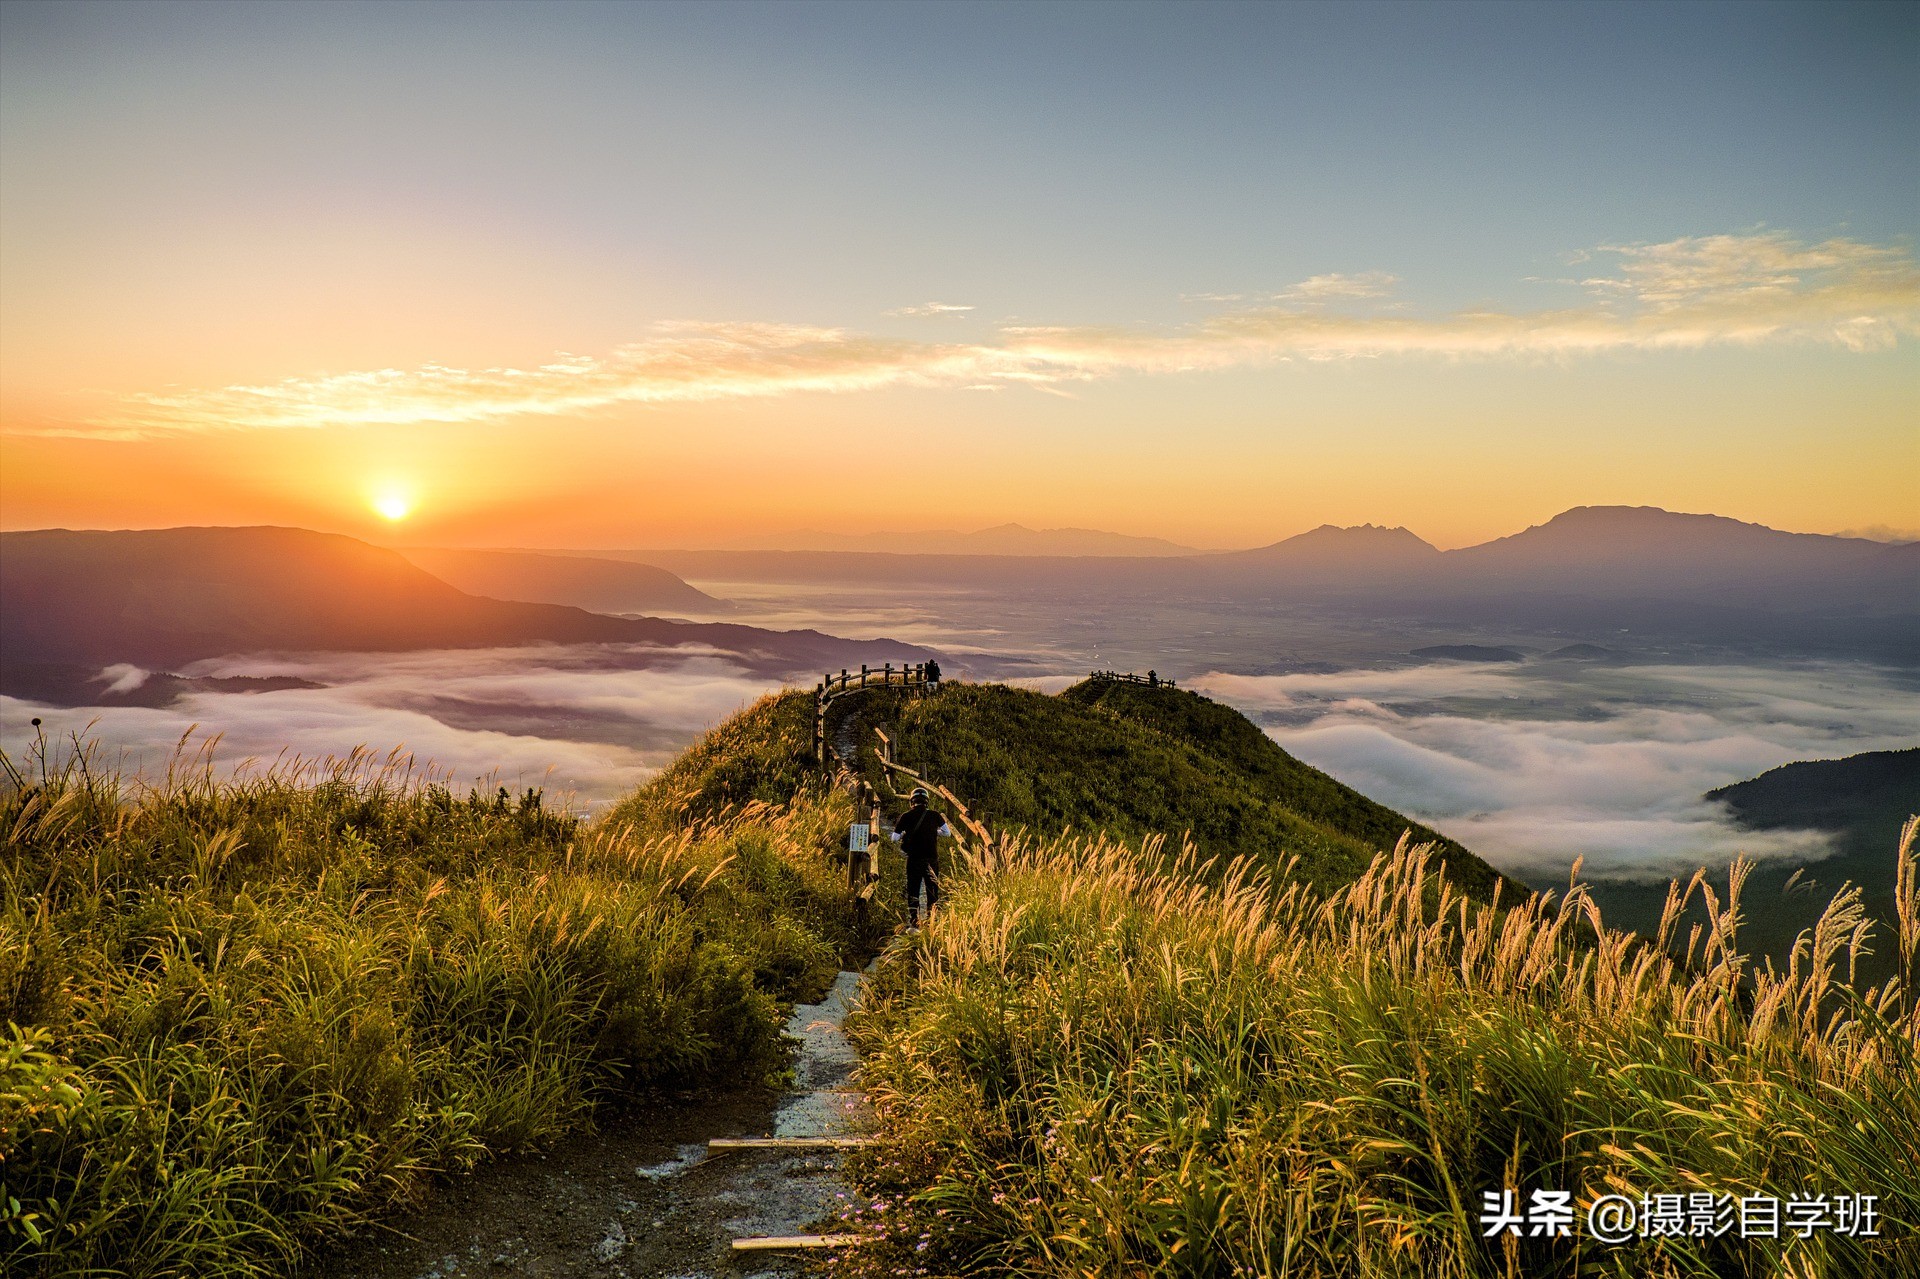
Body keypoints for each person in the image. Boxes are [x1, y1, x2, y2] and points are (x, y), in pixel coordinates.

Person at [890, 786, 949, 927]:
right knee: (932, 889)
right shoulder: (935, 815)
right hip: (931, 858)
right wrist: (934, 832)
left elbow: (894, 838)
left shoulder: (906, 816)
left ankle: (914, 919)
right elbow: (947, 833)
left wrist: (904, 834)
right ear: (926, 801)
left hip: (914, 859)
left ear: (912, 801)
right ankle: (931, 918)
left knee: (913, 888)